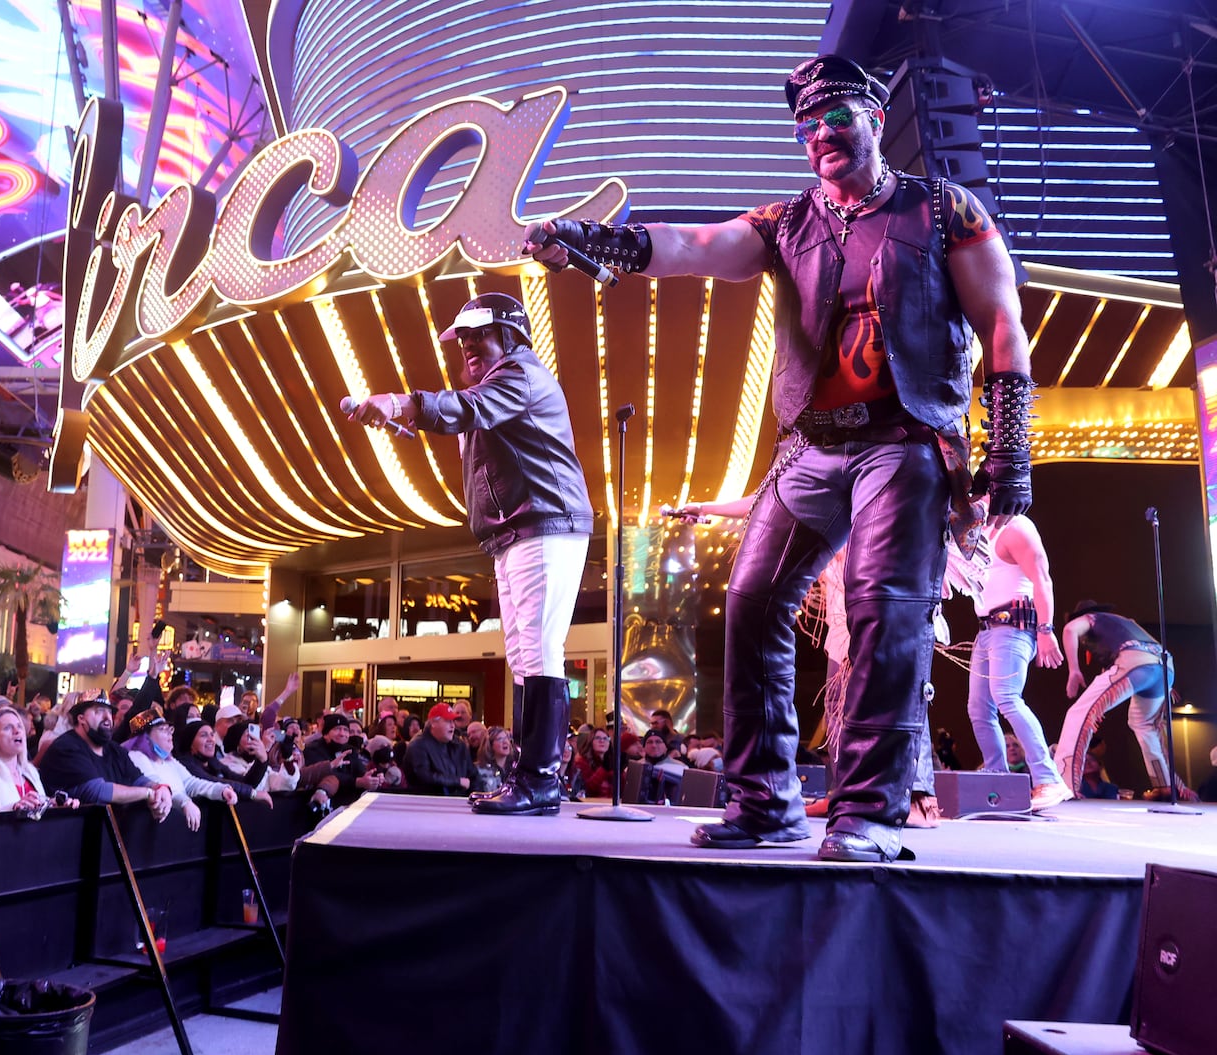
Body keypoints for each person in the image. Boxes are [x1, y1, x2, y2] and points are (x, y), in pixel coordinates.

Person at [527, 54, 1035, 861]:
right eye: (806, 126)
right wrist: (606, 243)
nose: (820, 135)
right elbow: (698, 243)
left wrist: (1010, 447)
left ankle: (869, 812)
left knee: (882, 612)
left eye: (835, 117)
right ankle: (765, 801)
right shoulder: (786, 221)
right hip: (812, 446)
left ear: (872, 118)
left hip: (904, 442)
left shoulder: (944, 209)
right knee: (754, 602)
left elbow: (1004, 319)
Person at [348, 292, 593, 816]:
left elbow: (468, 409)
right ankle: (533, 778)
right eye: (462, 341)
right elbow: (468, 415)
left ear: (511, 336)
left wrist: (404, 403)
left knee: (540, 651)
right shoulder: (497, 386)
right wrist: (410, 415)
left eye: (476, 336)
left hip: (543, 522)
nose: (467, 348)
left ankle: (541, 779)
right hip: (519, 530)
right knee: (527, 655)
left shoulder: (520, 375)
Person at [942, 501, 1070, 808]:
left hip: (1013, 624)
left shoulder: (1016, 528)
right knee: (978, 707)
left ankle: (1048, 778)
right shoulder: (976, 533)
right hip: (987, 629)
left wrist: (1045, 629)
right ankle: (997, 774)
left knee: (1007, 697)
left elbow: (1043, 580)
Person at [1058, 602, 1190, 798]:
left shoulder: (1091, 619)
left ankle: (1065, 784)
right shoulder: (1126, 622)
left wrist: (1074, 670)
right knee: (1144, 724)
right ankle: (1164, 784)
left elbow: (1069, 630)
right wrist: (1166, 685)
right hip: (1164, 667)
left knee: (1079, 714)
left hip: (1135, 661)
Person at [37, 697, 175, 819]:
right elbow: (97, 792)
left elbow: (138, 779)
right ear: (81, 719)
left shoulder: (114, 749)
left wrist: (161, 788)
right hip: (72, 834)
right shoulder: (66, 747)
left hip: (111, 833)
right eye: (99, 711)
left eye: (109, 712)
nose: (107, 717)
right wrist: (149, 793)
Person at [122, 713, 239, 830]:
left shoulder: (170, 761)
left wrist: (221, 789)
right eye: (162, 729)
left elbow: (190, 782)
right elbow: (154, 783)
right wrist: (184, 802)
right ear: (145, 737)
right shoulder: (136, 756)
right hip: (150, 830)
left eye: (170, 729)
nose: (169, 734)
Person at [402, 704, 474, 797]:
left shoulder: (459, 745)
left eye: (453, 721)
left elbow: (473, 775)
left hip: (459, 803)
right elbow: (424, 776)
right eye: (448, 721)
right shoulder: (418, 746)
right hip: (428, 804)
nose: (452, 725)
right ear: (433, 723)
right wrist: (457, 781)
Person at [472, 726, 518, 796]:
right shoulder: (479, 770)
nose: (505, 742)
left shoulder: (515, 769)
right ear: (490, 745)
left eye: (506, 738)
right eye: (500, 739)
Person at [574, 728, 614, 799]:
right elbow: (588, 789)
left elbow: (621, 790)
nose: (602, 741)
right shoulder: (581, 762)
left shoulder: (612, 761)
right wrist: (603, 769)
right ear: (591, 741)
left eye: (605, 738)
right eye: (598, 738)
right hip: (591, 804)